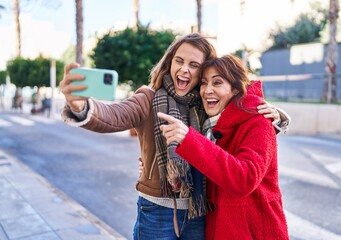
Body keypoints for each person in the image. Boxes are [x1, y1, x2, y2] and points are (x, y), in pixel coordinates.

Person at [59, 33, 288, 239]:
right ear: (169, 63)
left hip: (199, 213)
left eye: (194, 65)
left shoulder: (207, 104)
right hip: (157, 211)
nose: (184, 70)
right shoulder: (149, 99)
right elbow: (114, 115)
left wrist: (275, 116)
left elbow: (238, 124)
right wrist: (82, 107)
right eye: (179, 61)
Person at [157, 55, 289, 239]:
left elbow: (245, 178)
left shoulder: (259, 122)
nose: (207, 90)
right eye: (204, 83)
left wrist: (190, 139)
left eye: (217, 83)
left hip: (254, 231)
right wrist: (150, 166)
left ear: (235, 89)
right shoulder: (208, 124)